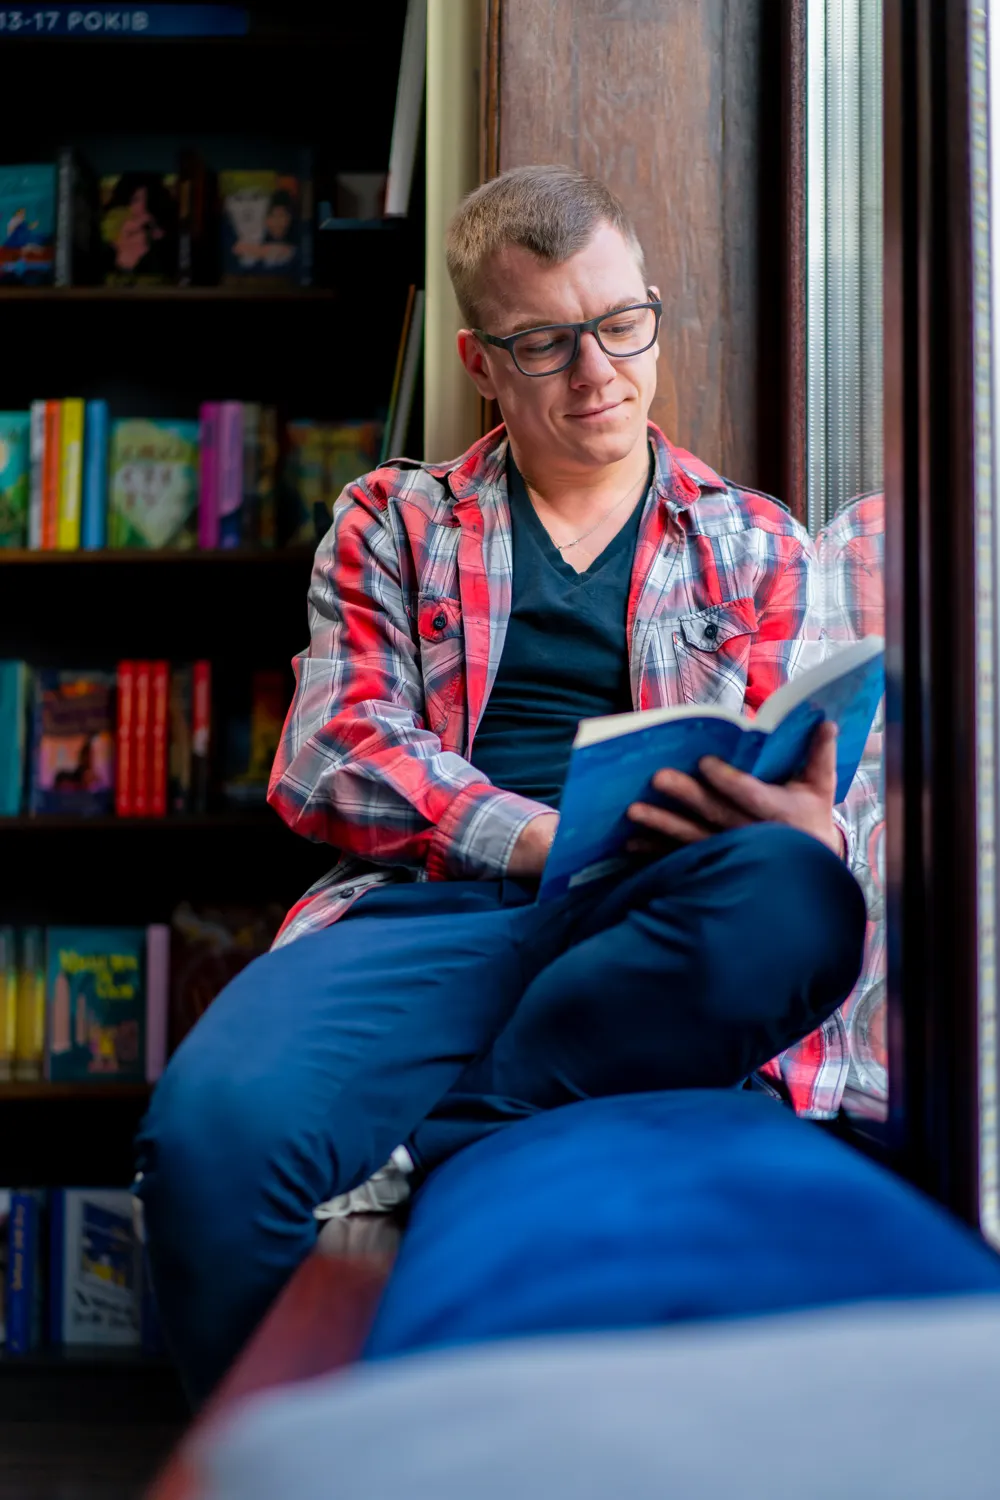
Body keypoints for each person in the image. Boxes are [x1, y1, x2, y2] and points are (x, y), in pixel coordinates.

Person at [133, 164, 866, 1405]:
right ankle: (310, 1457)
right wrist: (536, 840)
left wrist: (806, 823)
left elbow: (790, 780)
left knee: (800, 893)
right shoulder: (393, 521)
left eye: (621, 324)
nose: (599, 373)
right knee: (207, 1147)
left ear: (648, 306)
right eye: (546, 344)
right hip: (437, 911)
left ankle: (444, 1123)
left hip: (657, 921)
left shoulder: (753, 539)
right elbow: (335, 750)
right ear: (479, 361)